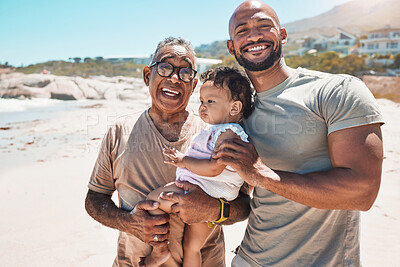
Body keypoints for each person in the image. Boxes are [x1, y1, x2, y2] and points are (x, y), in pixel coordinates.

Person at [209, 1, 385, 266]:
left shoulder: (337, 91)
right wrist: (208, 208)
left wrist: (263, 175)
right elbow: (240, 200)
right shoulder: (237, 111)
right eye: (242, 30)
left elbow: (362, 193)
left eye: (264, 26)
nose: (254, 35)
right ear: (231, 47)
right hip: (249, 260)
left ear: (282, 34)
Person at [84, 37, 251, 267]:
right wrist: (128, 222)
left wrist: (214, 209)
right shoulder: (120, 130)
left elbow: (244, 204)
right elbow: (94, 199)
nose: (174, 78)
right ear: (147, 76)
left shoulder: (214, 133)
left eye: (185, 72)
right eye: (165, 67)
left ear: (193, 86)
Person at [144, 66, 254, 266]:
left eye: (210, 102)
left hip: (208, 191)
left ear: (234, 108)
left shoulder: (229, 133)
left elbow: (214, 168)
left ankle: (160, 250)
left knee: (154, 200)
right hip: (210, 191)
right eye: (202, 101)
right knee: (192, 246)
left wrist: (183, 160)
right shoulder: (217, 130)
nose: (203, 107)